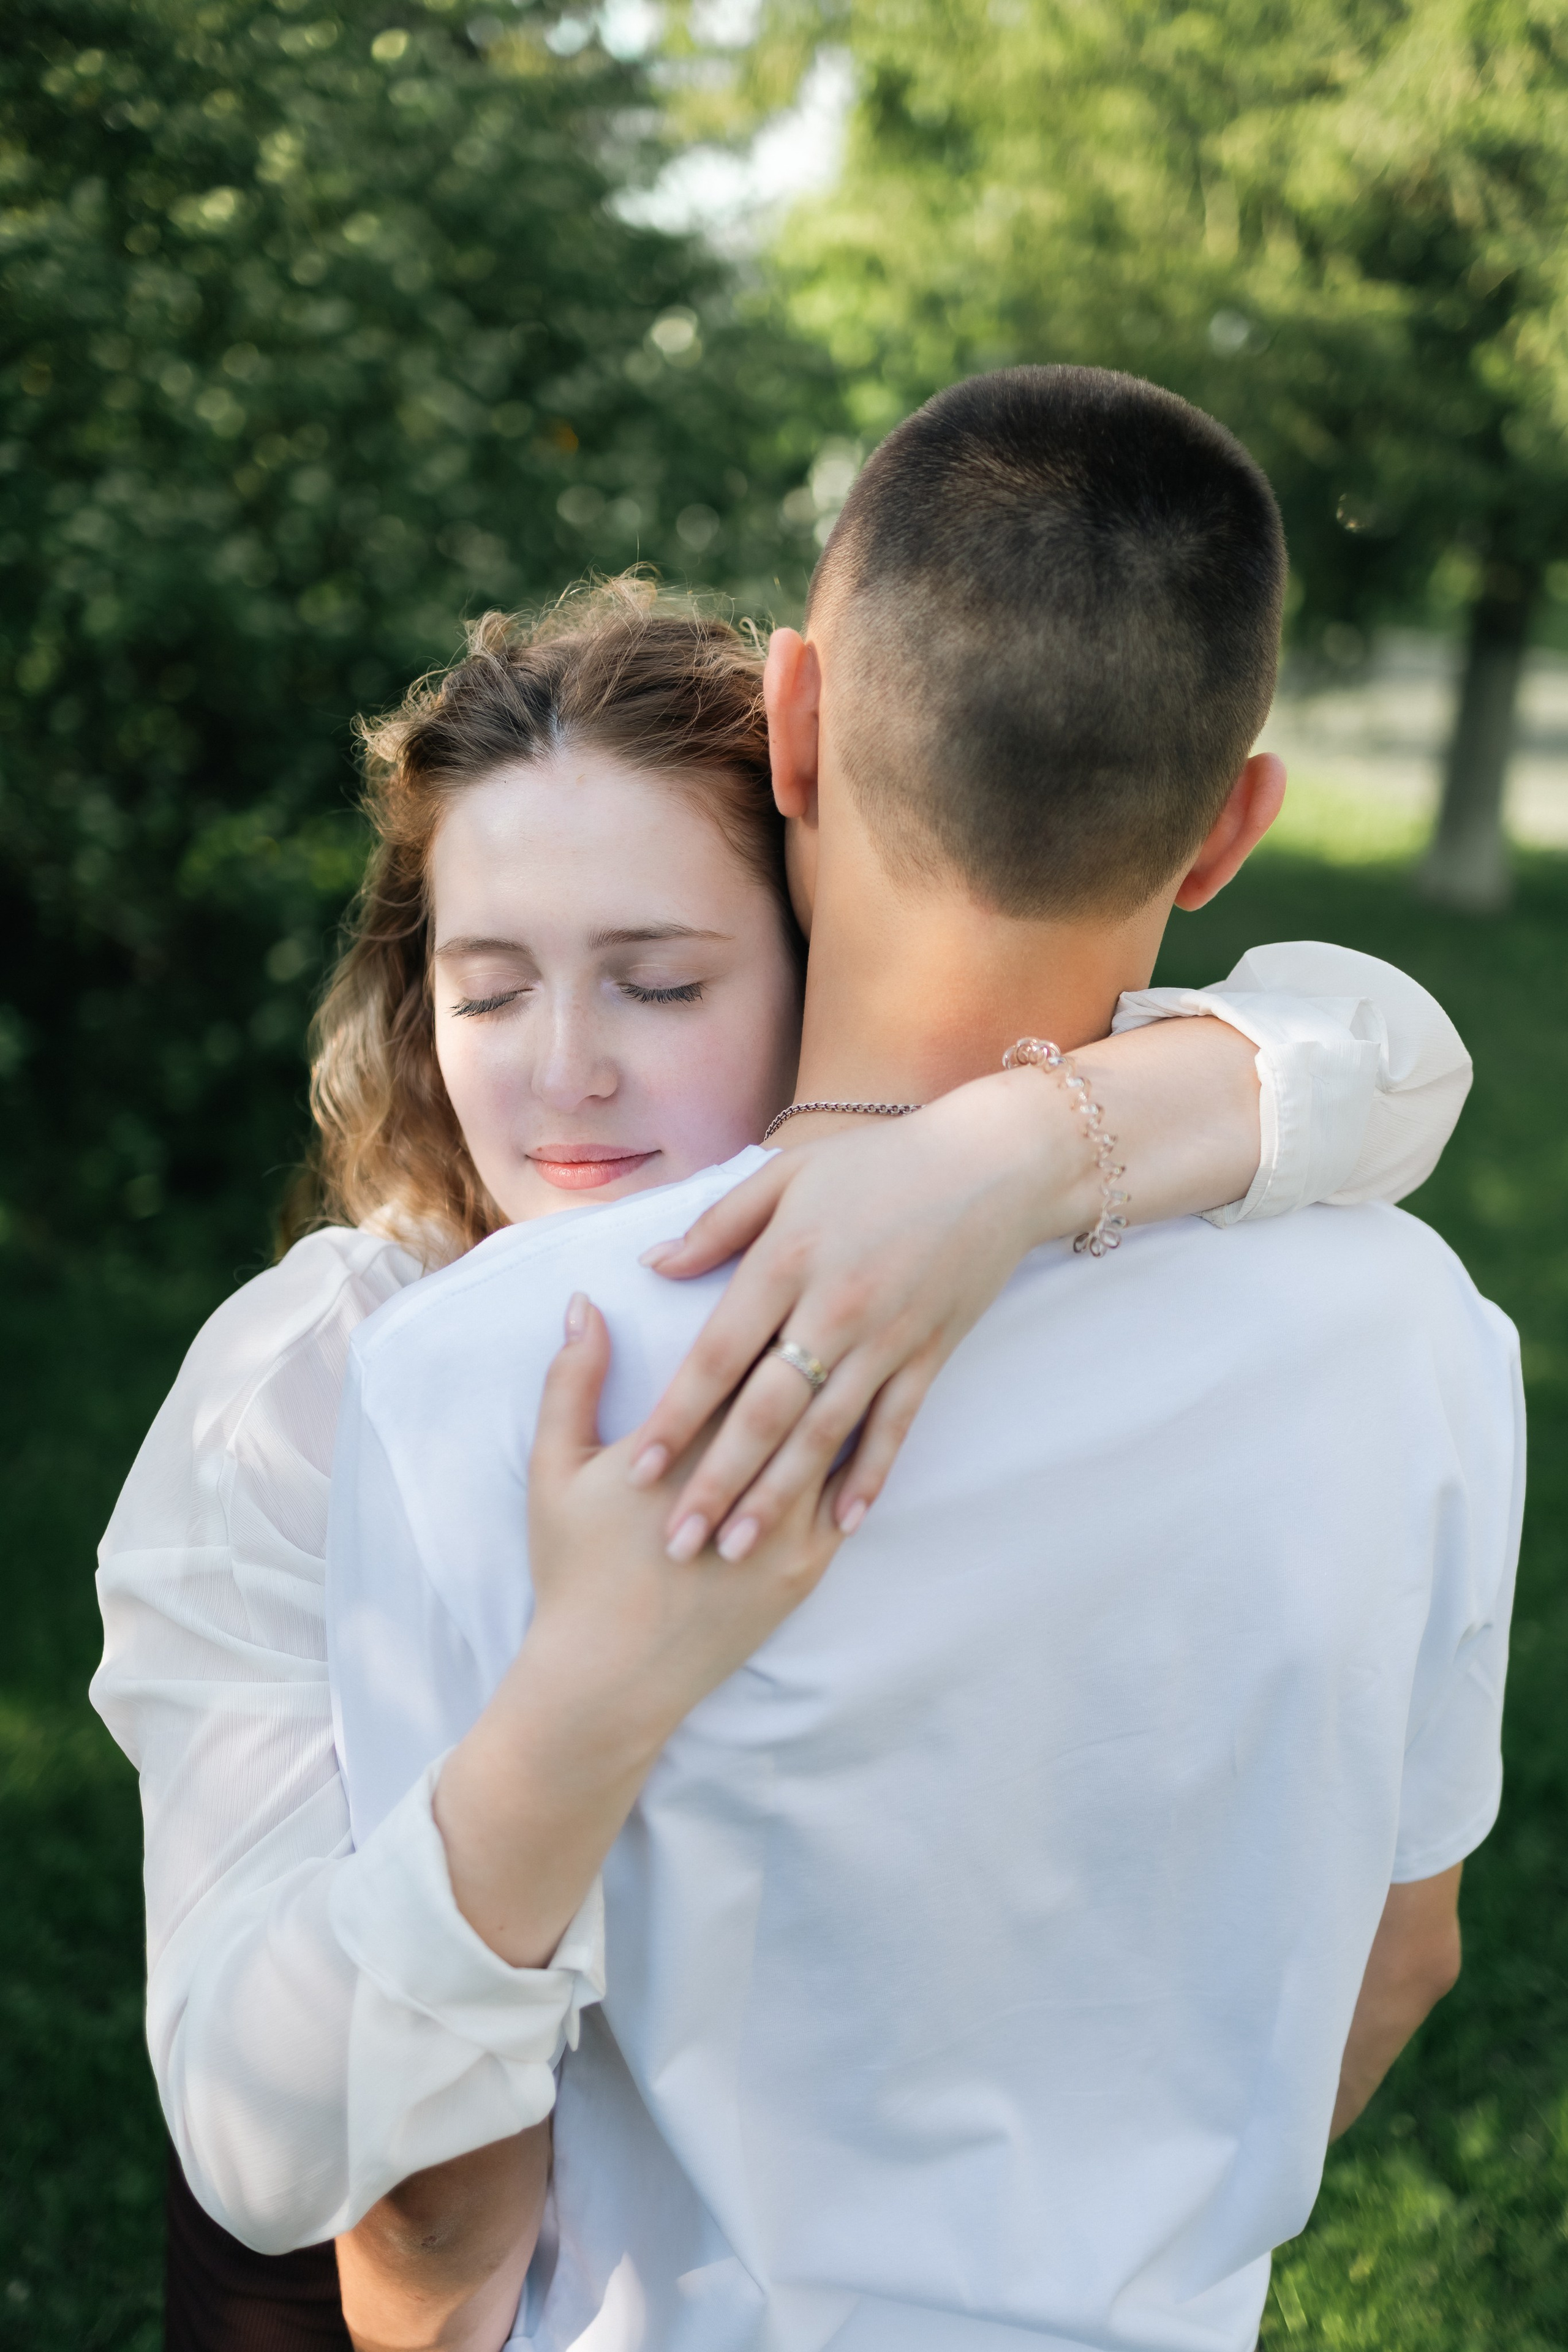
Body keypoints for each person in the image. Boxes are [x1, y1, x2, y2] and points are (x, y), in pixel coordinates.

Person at [94, 572, 1464, 2348]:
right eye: (488, 989)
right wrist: (591, 1689)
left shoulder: (997, 1284)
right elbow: (268, 2134)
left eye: (658, 984)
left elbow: (1395, 1057)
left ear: (822, 940)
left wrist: (1017, 1159)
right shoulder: (320, 1376)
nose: (566, 1074)